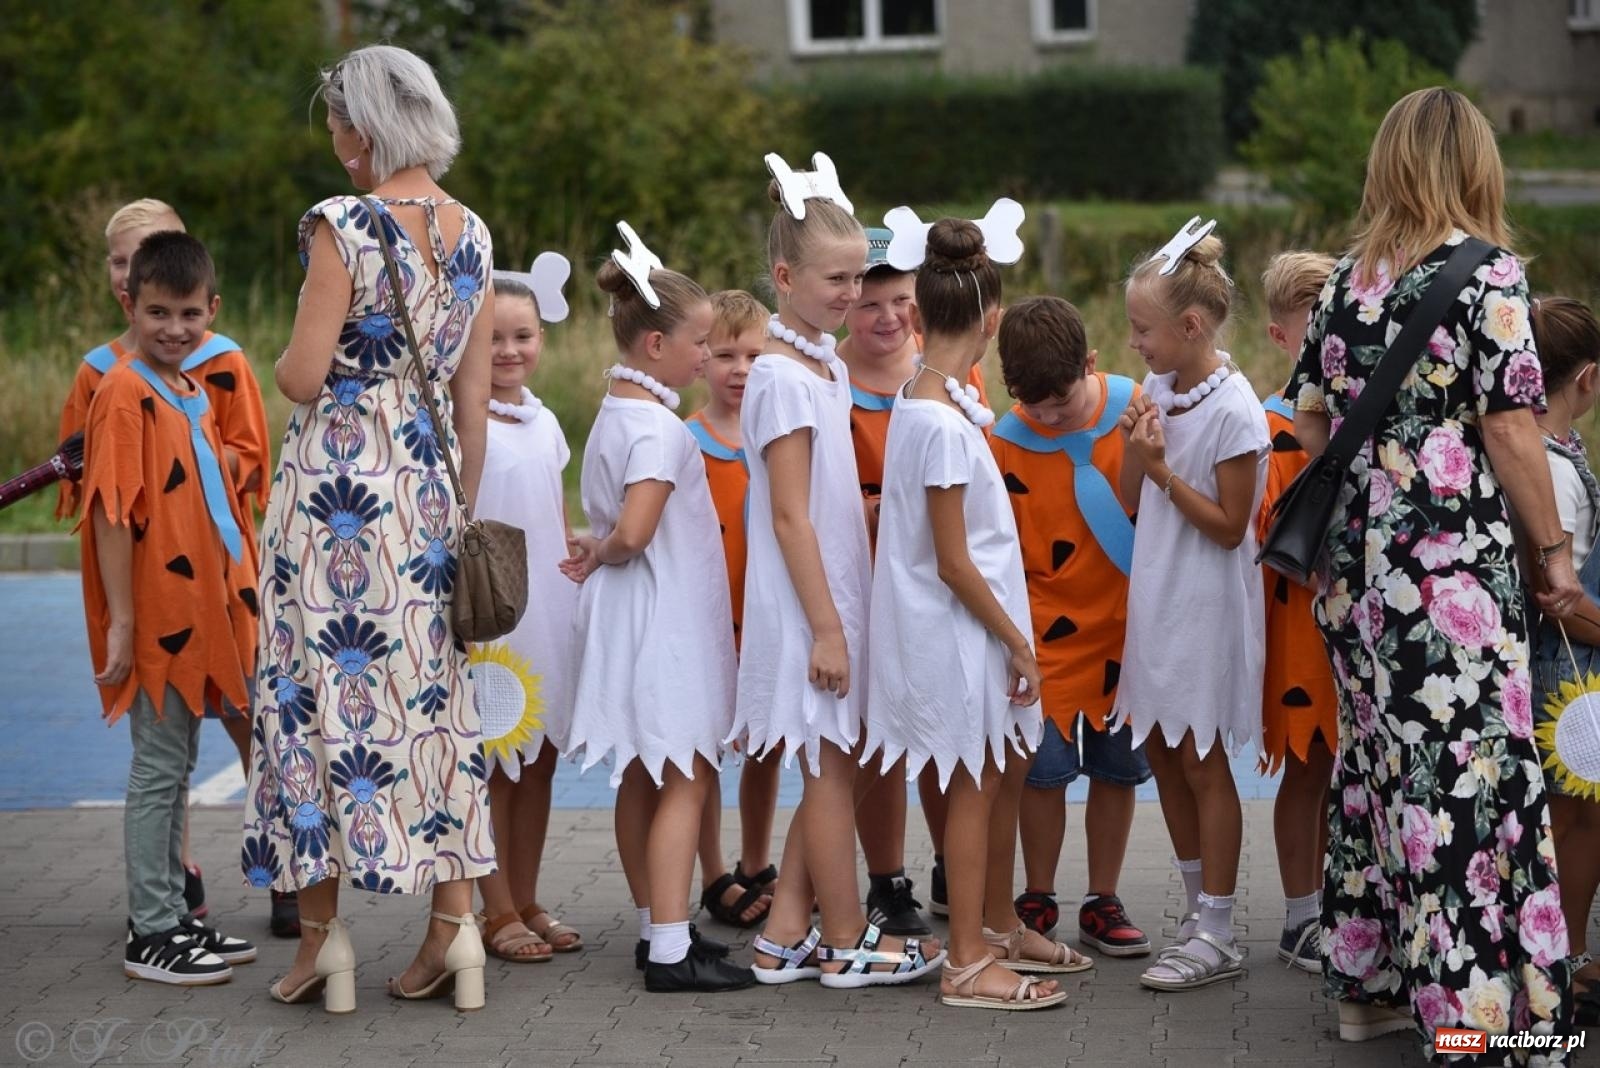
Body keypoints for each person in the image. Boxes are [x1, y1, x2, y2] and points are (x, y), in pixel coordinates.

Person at [1287, 87, 1577, 1057]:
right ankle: (1471, 1018)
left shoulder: (1341, 284)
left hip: (1358, 581)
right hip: (1450, 584)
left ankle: (1366, 985)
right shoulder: (1487, 277)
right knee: (1463, 781)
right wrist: (1555, 553)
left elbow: (1311, 424)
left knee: (1374, 775)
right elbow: (1510, 429)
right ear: (1474, 164)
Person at [245, 44, 497, 1015]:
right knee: (432, 709)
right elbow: (472, 407)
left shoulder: (339, 226)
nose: (334, 141)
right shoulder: (470, 231)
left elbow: (304, 376)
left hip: (337, 503)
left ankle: (322, 945)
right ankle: (453, 930)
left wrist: (294, 352)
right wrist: (457, 509)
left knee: (314, 707)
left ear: (363, 127)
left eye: (336, 123)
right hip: (429, 502)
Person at [733, 157, 942, 988]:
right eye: (837, 278)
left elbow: (824, 500)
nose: (853, 293)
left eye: (861, 274)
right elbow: (787, 514)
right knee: (828, 766)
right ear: (784, 277)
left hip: (840, 587)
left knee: (840, 760)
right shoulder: (782, 375)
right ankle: (847, 936)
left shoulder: (822, 363)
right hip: (808, 601)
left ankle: (784, 931)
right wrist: (824, 625)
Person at [865, 216, 1076, 1011]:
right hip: (956, 637)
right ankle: (965, 962)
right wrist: (1019, 643)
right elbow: (954, 561)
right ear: (993, 318)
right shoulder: (942, 426)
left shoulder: (926, 405)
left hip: (955, 632)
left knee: (983, 779)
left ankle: (985, 937)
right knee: (973, 788)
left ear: (917, 315)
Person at [58, 199, 273, 932]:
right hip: (160, 598)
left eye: (189, 314)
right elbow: (109, 506)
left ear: (209, 306)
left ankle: (260, 879)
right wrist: (121, 618)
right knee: (162, 766)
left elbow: (240, 465)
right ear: (126, 292)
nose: (175, 328)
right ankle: (159, 919)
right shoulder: (114, 382)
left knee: (234, 729)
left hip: (222, 587)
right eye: (157, 311)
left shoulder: (198, 380)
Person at [560, 242, 753, 993]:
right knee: (687, 773)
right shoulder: (662, 430)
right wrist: (603, 548)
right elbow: (636, 532)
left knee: (644, 772)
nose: (707, 356)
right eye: (701, 342)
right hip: (661, 618)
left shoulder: (619, 407)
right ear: (656, 344)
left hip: (636, 614)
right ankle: (672, 949)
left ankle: (656, 925)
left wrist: (599, 542)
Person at [1115, 227, 1269, 992]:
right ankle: (1193, 910)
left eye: (1143, 328)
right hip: (1158, 601)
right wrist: (1134, 453)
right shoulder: (1161, 391)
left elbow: (1230, 526)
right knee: (1166, 753)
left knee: (1204, 759)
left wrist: (1164, 471)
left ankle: (1218, 923)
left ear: (1191, 327)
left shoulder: (1235, 410)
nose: (1133, 341)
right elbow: (1128, 504)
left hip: (1206, 607)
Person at [991, 295, 1152, 959]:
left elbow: (1147, 508)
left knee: (1116, 771)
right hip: (1044, 637)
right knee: (1043, 773)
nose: (1051, 418)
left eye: (1059, 401)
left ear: (1090, 362)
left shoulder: (1138, 406)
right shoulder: (1005, 439)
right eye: (1037, 407)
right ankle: (1038, 891)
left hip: (1124, 628)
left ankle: (1103, 895)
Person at [836, 230, 950, 934]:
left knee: (941, 725)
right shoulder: (826, 380)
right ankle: (886, 878)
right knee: (873, 737)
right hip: (860, 575)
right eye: (868, 302)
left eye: (899, 300)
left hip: (934, 576)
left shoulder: (943, 372)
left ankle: (952, 860)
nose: (885, 317)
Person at [471, 271, 583, 963]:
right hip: (490, 615)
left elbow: (555, 518)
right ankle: (494, 906)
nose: (509, 351)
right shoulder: (463, 418)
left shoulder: (544, 420)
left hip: (546, 608)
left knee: (536, 761)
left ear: (542, 338)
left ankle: (528, 895)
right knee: (489, 763)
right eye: (493, 338)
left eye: (523, 336)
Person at [687, 289, 783, 931]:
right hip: (709, 618)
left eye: (753, 354)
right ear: (699, 360)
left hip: (768, 613)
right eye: (724, 354)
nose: (740, 369)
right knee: (703, 752)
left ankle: (755, 859)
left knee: (766, 747)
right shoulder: (685, 440)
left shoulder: (778, 438)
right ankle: (713, 871)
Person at [1255, 251, 1340, 974]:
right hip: (1301, 631)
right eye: (1310, 328)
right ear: (1281, 338)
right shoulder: (1270, 427)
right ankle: (1300, 917)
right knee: (1309, 768)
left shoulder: (1361, 421)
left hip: (1359, 626)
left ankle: (1347, 907)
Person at [1526, 296, 1600, 1026]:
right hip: (1563, 673)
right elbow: (1561, 597)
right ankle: (1571, 960)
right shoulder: (1556, 469)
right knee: (1577, 825)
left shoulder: (1541, 450)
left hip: (1561, 666)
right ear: (1587, 377)